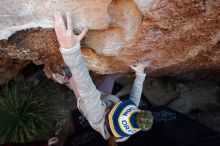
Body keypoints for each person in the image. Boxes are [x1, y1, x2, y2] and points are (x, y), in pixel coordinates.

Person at [54, 12, 153, 144]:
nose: (117, 105)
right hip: (106, 97)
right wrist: (140, 74)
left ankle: (66, 80)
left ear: (108, 119)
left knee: (74, 79)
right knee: (111, 77)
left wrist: (70, 50)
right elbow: (134, 99)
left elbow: (87, 88)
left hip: (87, 101)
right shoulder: (131, 124)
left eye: (116, 110)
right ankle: (75, 79)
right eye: (121, 106)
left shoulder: (96, 115)